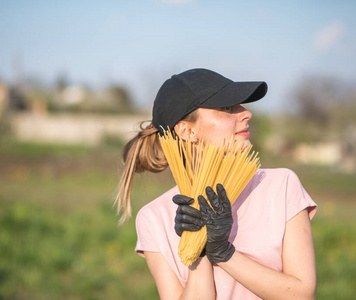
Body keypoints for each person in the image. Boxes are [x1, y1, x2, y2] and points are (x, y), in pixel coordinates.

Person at [115, 68, 317, 300]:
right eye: (227, 108)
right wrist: (197, 248)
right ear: (187, 131)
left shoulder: (281, 186)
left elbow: (302, 295)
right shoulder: (154, 218)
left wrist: (223, 253)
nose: (246, 113)